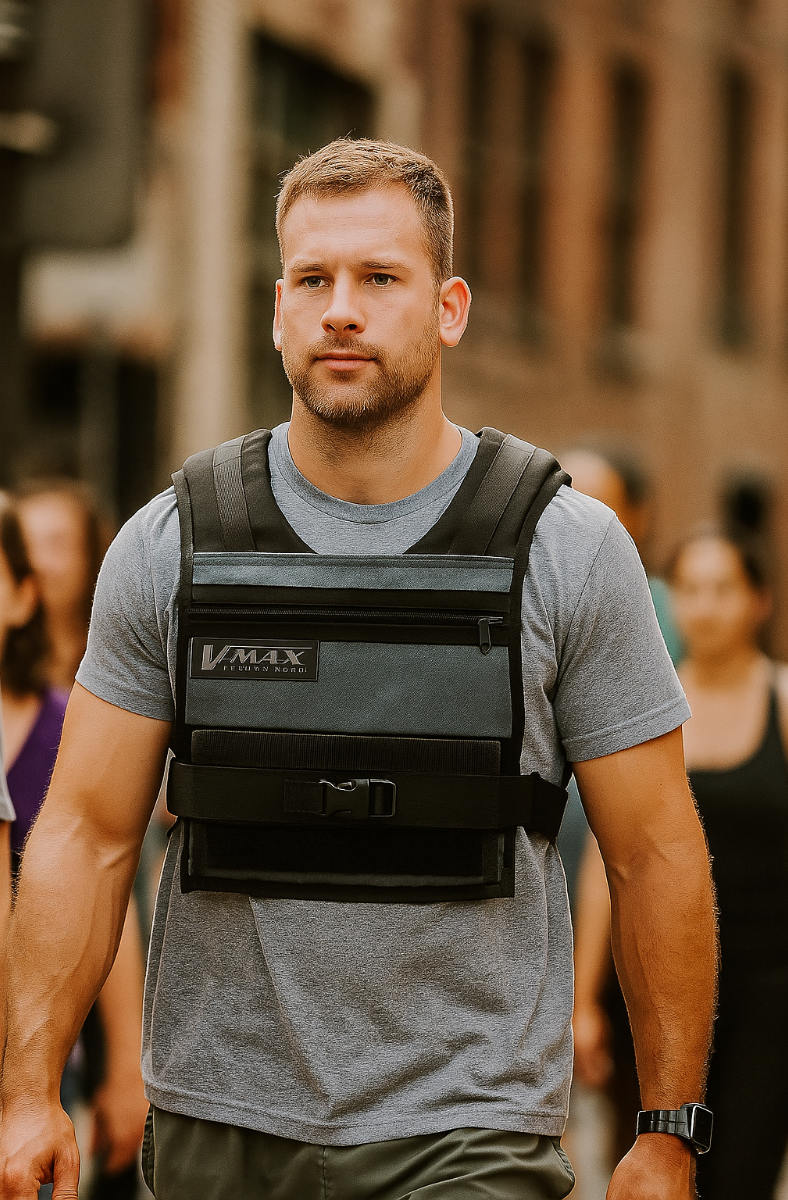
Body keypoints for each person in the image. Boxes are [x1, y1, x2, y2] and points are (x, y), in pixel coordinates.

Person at [0, 139, 717, 1200]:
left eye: (380, 278)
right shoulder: (172, 545)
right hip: (216, 1127)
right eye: (312, 280)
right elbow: (85, 835)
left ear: (448, 307)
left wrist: (665, 1130)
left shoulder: (567, 549)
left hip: (464, 1134)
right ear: (276, 309)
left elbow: (654, 853)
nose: (341, 309)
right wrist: (25, 1091)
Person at [0, 490, 148, 1198]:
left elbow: (104, 884)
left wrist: (126, 1069)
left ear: (21, 597)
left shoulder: (69, 725)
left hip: (49, 1049)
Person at [669, 528, 788, 1199]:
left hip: (771, 987)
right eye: (690, 589)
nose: (705, 607)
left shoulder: (783, 700)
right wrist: (582, 1002)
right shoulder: (647, 707)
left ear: (759, 601)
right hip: (661, 987)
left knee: (743, 1174)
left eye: (723, 589)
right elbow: (613, 859)